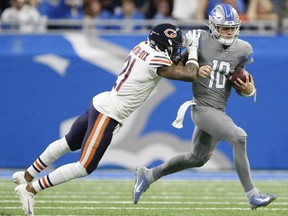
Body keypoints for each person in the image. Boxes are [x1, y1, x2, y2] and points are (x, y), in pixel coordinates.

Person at [13, 22, 200, 216]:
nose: (175, 51)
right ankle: (30, 189)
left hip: (103, 102)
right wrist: (193, 51)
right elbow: (189, 74)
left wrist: (187, 53)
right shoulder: (157, 59)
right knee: (85, 166)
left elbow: (174, 66)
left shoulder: (144, 47)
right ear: (163, 46)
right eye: (173, 47)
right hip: (109, 112)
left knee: (68, 143)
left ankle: (26, 175)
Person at [133, 4, 277, 210]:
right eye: (224, 28)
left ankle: (149, 175)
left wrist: (249, 89)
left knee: (197, 158)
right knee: (239, 137)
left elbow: (238, 83)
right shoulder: (198, 39)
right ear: (212, 26)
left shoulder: (243, 49)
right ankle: (252, 195)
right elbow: (175, 69)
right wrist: (195, 69)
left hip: (218, 110)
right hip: (201, 108)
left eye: (232, 28)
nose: (229, 32)